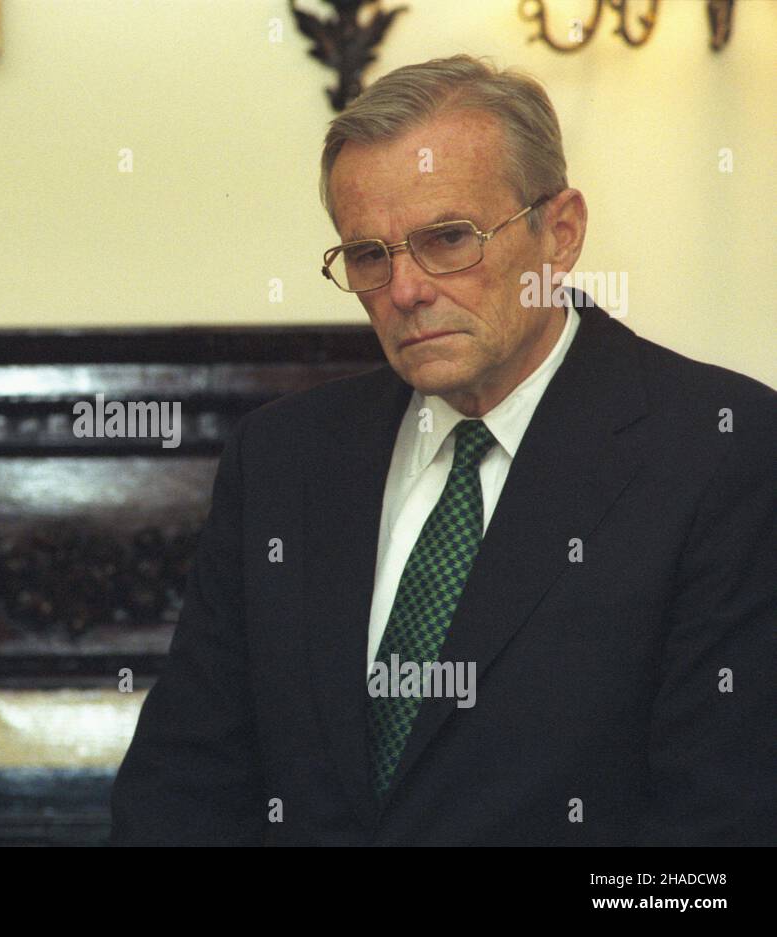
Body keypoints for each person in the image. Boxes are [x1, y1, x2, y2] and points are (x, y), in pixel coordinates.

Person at [111, 56, 775, 845]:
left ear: (559, 233)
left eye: (448, 238)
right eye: (369, 254)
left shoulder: (721, 449)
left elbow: (715, 840)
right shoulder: (283, 458)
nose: (404, 290)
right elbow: (182, 788)